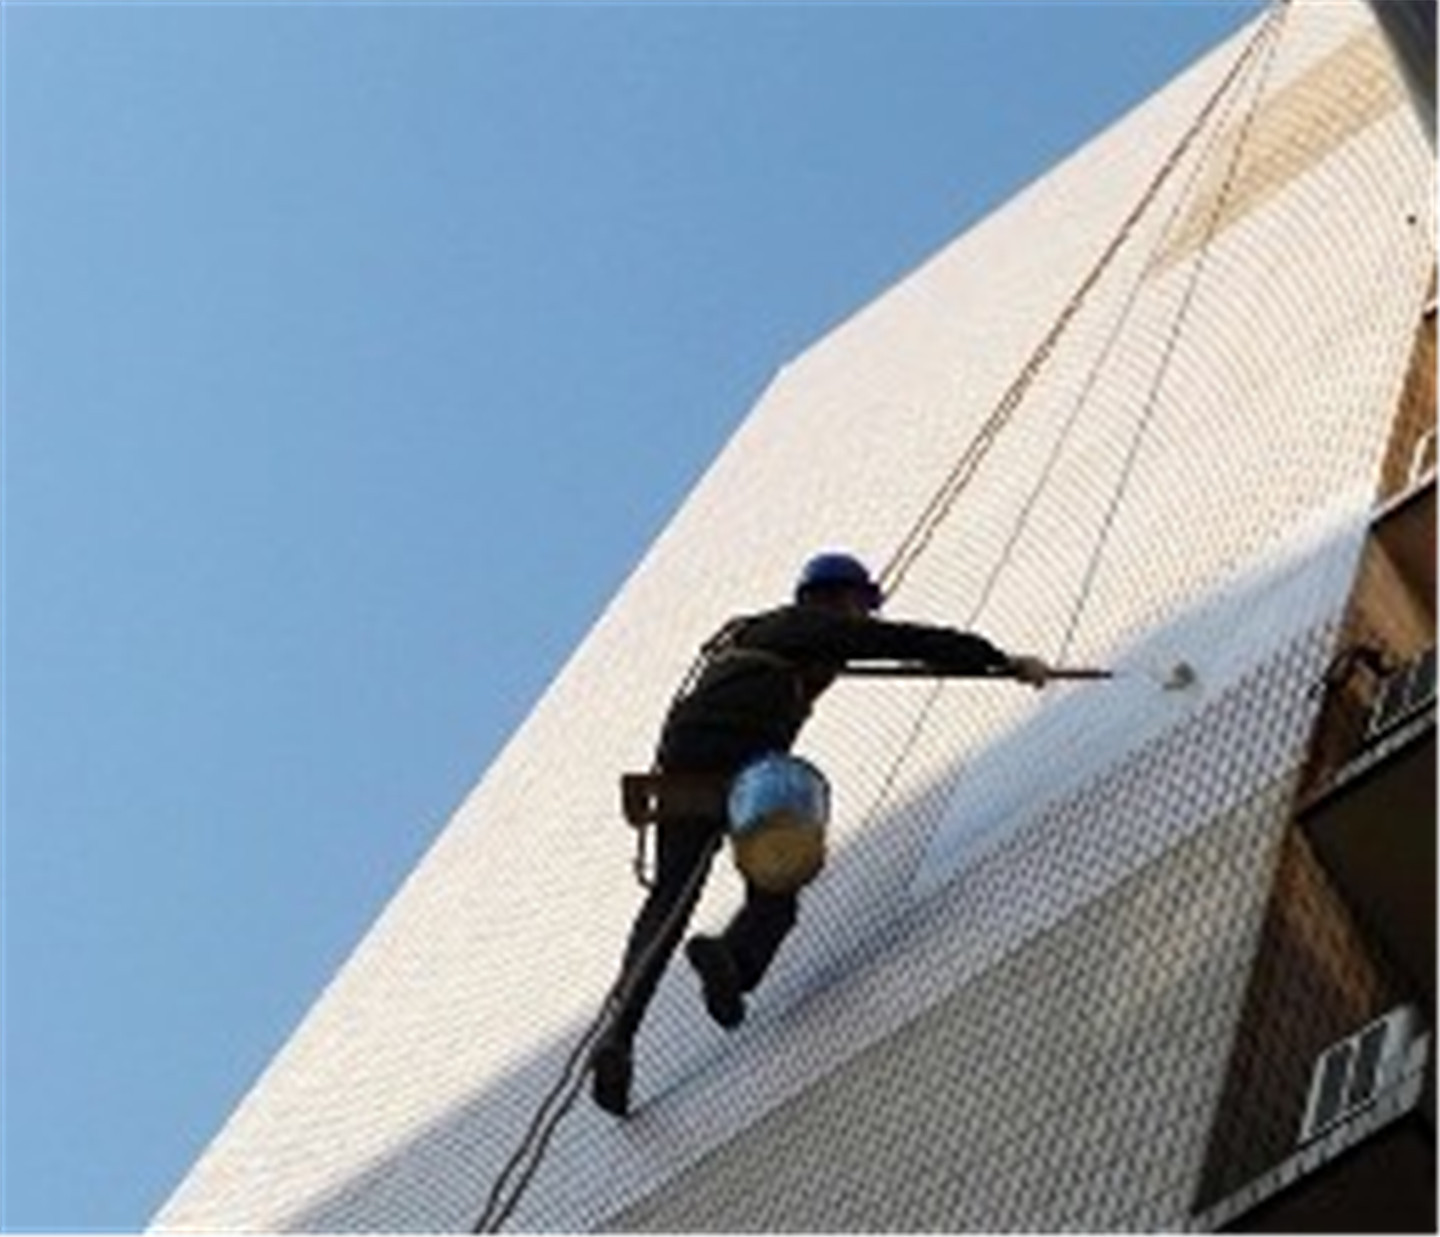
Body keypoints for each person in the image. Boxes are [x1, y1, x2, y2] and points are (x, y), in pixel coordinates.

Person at [591, 551, 1053, 1116]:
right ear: (840, 596)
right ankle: (732, 960)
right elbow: (909, 644)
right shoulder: (810, 626)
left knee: (670, 903)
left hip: (684, 766)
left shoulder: (757, 637)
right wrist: (1002, 662)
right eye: (862, 604)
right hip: (740, 760)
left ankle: (622, 1034)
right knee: (781, 875)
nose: (865, 617)